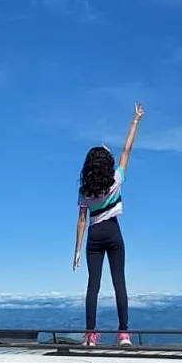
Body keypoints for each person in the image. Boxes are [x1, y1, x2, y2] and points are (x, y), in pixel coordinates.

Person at [73, 102, 144, 346]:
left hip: (94, 236)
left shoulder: (85, 190)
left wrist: (76, 252)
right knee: (119, 282)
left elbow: (81, 221)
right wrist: (134, 122)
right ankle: (123, 333)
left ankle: (90, 336)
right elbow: (126, 150)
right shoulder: (115, 179)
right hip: (113, 232)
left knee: (93, 285)